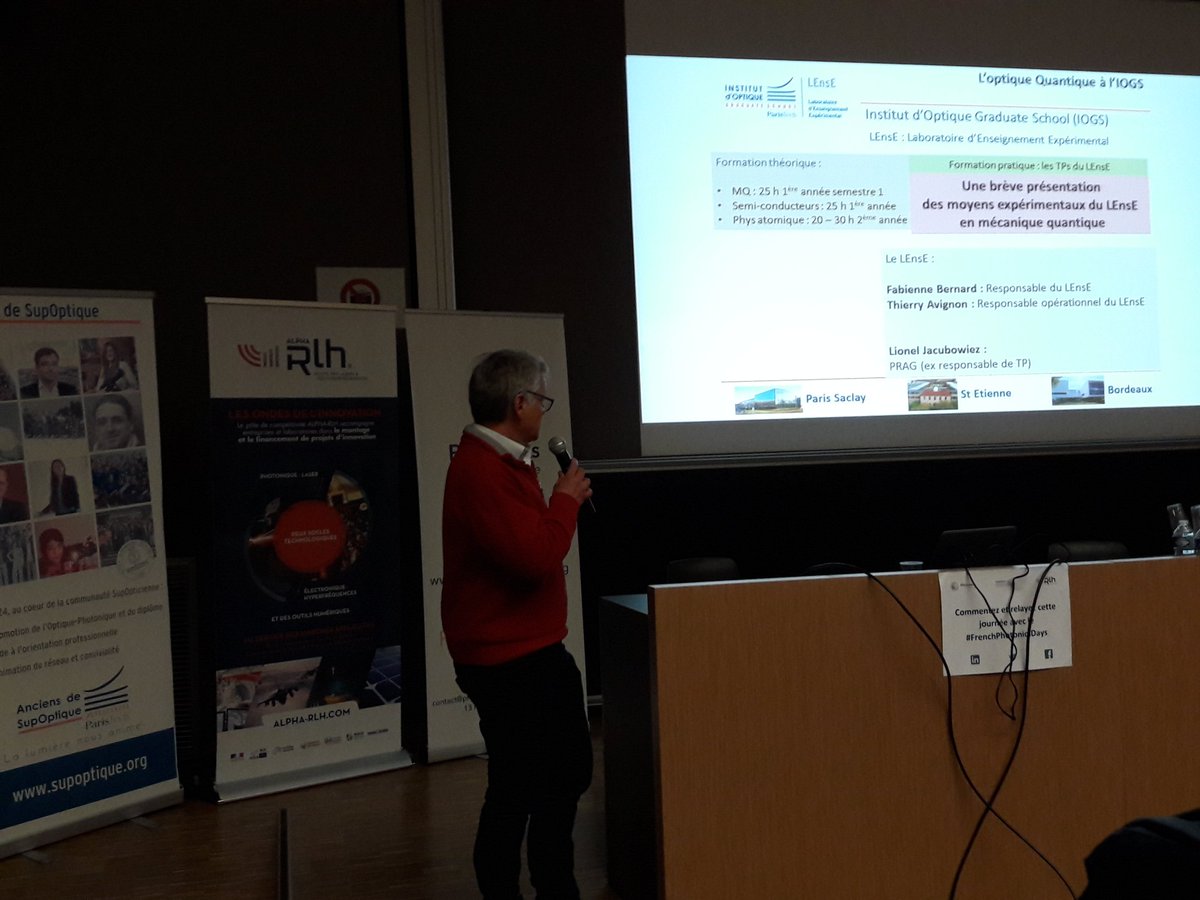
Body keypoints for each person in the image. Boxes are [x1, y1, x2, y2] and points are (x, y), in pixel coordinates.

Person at [442, 349, 593, 900]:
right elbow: (533, 559)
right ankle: (540, 888)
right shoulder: (484, 470)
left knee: (552, 776)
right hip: (510, 659)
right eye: (542, 401)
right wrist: (565, 502)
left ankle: (552, 885)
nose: (545, 412)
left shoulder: (504, 460)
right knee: (520, 786)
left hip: (525, 652)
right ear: (520, 402)